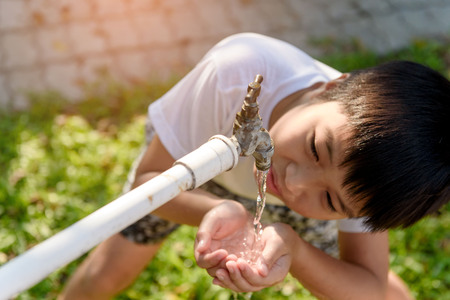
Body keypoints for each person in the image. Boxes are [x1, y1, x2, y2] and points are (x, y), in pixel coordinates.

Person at [59, 33, 449, 299]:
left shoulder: (373, 181)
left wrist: (295, 249)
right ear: (329, 87)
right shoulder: (237, 74)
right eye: (315, 147)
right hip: (191, 167)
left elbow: (367, 287)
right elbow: (148, 184)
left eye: (332, 200)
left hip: (296, 218)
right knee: (110, 274)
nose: (294, 182)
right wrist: (219, 209)